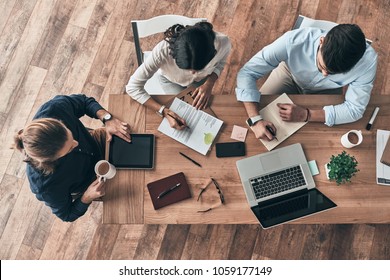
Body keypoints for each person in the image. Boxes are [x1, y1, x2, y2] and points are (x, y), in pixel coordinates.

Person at [236, 24, 377, 141]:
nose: (325, 74)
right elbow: (248, 72)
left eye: (333, 73)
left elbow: (355, 109)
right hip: (289, 75)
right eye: (322, 67)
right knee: (259, 118)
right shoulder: (292, 41)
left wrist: (307, 115)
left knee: (316, 137)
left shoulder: (367, 62)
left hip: (327, 90)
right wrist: (255, 120)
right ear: (322, 41)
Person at [12, 94, 131, 222]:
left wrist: (107, 118)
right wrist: (87, 197)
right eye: (70, 149)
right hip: (94, 182)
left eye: (71, 137)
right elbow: (67, 214)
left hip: (96, 141)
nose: (76, 144)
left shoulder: (54, 109)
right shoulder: (45, 186)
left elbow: (84, 102)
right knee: (132, 194)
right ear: (52, 159)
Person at [126, 21, 231, 130]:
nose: (193, 73)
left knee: (203, 115)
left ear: (212, 53)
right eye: (187, 68)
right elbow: (132, 87)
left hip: (203, 81)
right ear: (174, 55)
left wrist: (209, 83)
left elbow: (221, 63)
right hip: (170, 80)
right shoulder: (162, 52)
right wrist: (164, 111)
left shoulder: (223, 43)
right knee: (185, 118)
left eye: (199, 68)